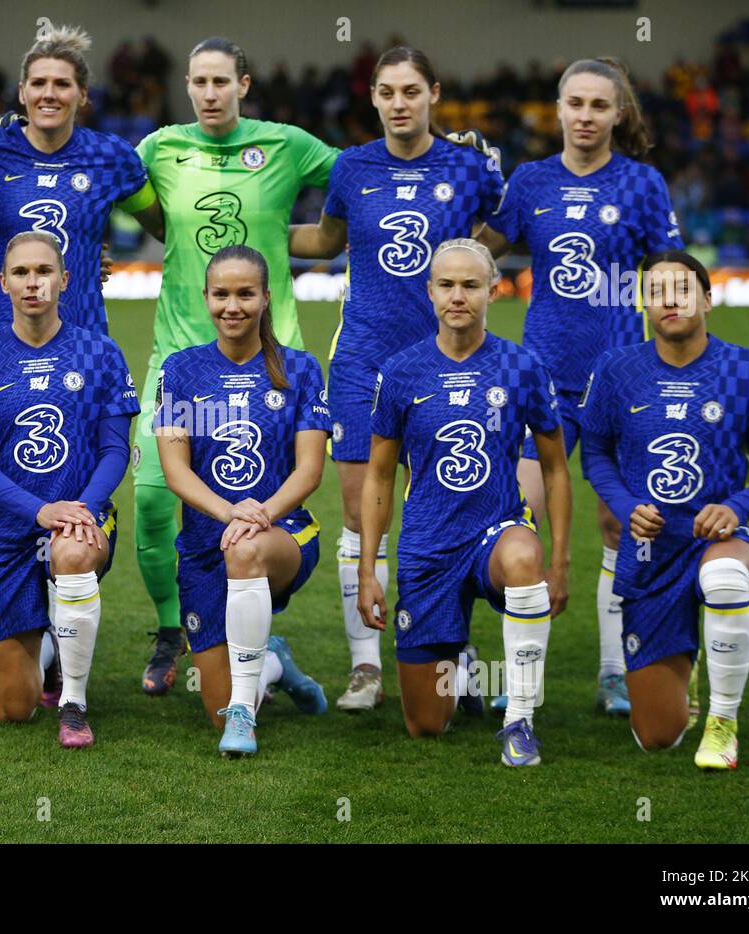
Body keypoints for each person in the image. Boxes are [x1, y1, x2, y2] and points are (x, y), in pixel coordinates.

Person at [288, 47, 505, 711]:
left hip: (448, 362)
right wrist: (243, 228)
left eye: (411, 90)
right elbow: (325, 242)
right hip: (363, 360)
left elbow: (500, 231)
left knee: (446, 508)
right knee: (360, 511)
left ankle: (450, 650)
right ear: (375, 99)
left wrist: (463, 282)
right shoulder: (353, 167)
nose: (399, 102)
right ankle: (365, 668)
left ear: (434, 93)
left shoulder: (469, 165)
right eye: (387, 92)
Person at [0, 25, 163, 696]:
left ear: (82, 95)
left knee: (73, 494)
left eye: (61, 84)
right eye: (37, 83)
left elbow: (167, 225)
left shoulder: (113, 159)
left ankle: (54, 635)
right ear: (21, 92)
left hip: (84, 351)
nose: (49, 93)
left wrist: (94, 249)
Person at [131, 36, 339, 696]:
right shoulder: (159, 148)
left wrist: (306, 239)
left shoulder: (288, 144)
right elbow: (137, 208)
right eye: (199, 82)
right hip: (178, 354)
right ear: (187, 86)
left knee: (265, 503)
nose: (210, 93)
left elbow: (360, 181)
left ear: (244, 84)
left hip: (269, 361)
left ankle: (253, 626)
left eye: (222, 81)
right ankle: (174, 629)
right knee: (154, 501)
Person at [479, 58, 684, 716]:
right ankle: (520, 675)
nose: (586, 116)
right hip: (541, 378)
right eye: (575, 103)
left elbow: (671, 275)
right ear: (558, 109)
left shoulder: (643, 184)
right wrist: (466, 185)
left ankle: (613, 671)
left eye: (600, 105)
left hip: (623, 383)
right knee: (519, 523)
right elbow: (478, 254)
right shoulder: (531, 180)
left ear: (618, 114)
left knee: (617, 523)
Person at [580, 251, 749, 768]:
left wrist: (738, 507)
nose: (669, 299)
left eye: (682, 288)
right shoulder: (617, 370)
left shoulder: (747, 368)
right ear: (643, 305)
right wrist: (625, 503)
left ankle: (723, 723)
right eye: (656, 291)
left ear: (706, 297)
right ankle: (690, 663)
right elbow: (595, 453)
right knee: (657, 736)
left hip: (722, 539)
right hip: (652, 551)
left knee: (724, 576)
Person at [357, 240, 571, 766]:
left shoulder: (521, 367)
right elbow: (379, 475)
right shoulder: (401, 371)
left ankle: (519, 718)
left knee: (523, 556)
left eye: (471, 285)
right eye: (447, 285)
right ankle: (465, 668)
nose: (458, 296)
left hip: (497, 530)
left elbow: (556, 469)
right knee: (426, 727)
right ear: (429, 292)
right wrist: (368, 567)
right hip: (428, 545)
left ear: (492, 291)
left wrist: (559, 561)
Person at [0, 232, 137, 748]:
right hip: (10, 532)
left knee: (72, 551)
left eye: (44, 272)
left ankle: (74, 702)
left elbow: (116, 451)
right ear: (3, 283)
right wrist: (40, 511)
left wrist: (82, 511)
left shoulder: (99, 352)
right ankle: (52, 646)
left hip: (81, 520)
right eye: (22, 273)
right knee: (13, 710)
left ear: (65, 280)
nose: (33, 283)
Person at [154, 245, 329, 758]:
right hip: (207, 541)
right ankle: (274, 662)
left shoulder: (299, 368)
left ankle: (244, 715)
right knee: (213, 703)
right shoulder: (181, 370)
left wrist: (261, 515)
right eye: (222, 294)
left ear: (266, 297)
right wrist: (228, 511)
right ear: (206, 297)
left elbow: (310, 470)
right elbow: (175, 470)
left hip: (283, 534)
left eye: (245, 294)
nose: (233, 306)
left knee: (246, 552)